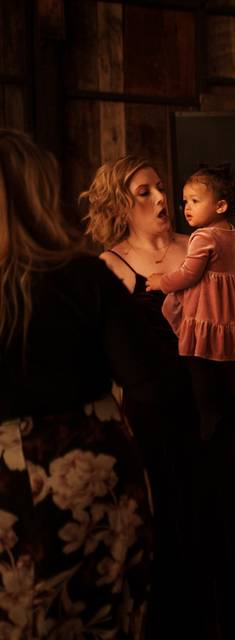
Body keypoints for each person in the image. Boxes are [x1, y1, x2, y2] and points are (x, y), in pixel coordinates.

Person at [83, 158, 235, 638]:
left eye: (161, 188)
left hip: (218, 409)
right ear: (120, 205)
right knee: (174, 526)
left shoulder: (204, 245)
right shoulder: (110, 265)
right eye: (144, 192)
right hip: (158, 418)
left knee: (232, 524)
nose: (161, 200)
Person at [0, 129, 163, 637]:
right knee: (98, 614)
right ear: (39, 195)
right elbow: (146, 377)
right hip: (88, 474)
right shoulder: (83, 276)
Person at [145, 165, 235, 440]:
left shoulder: (203, 237)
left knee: (204, 360)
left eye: (195, 201)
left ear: (221, 205)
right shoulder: (232, 233)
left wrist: (160, 282)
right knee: (226, 356)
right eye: (185, 202)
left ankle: (208, 422)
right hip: (233, 306)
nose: (186, 208)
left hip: (210, 307)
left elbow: (189, 274)